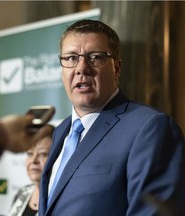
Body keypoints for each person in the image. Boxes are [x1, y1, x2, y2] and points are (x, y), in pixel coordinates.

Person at [38, 19, 184, 216]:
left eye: (96, 57)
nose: (81, 68)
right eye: (71, 58)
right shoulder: (61, 130)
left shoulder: (150, 128)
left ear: (116, 68)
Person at [8, 125, 54, 216]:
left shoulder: (61, 199)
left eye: (43, 154)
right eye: (30, 153)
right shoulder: (23, 192)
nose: (33, 160)